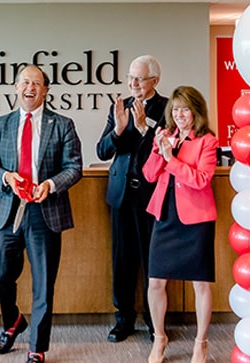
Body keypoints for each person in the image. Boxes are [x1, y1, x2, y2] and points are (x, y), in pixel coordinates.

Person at [0, 64, 83, 363]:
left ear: (45, 90)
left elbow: (74, 167)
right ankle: (13, 321)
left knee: (43, 285)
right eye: (25, 82)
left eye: (36, 83)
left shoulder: (62, 124)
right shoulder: (1, 124)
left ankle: (37, 349)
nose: (30, 87)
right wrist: (6, 177)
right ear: (15, 87)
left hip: (44, 212)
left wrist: (50, 185)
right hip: (9, 210)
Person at [142, 86, 218, 363]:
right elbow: (149, 175)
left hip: (196, 219)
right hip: (165, 214)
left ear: (196, 111)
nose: (179, 114)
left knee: (200, 283)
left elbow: (200, 179)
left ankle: (201, 342)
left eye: (185, 109)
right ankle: (159, 338)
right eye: (175, 109)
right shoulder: (166, 137)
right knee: (155, 282)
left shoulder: (208, 141)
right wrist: (158, 149)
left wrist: (172, 160)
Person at [96, 55, 169, 343]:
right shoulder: (120, 107)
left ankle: (155, 322)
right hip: (121, 195)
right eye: (130, 77)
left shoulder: (167, 107)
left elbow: (166, 147)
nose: (132, 83)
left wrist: (142, 127)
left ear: (155, 81)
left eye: (139, 78)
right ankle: (123, 319)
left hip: (151, 195)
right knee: (122, 260)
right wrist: (118, 129)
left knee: (152, 260)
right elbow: (102, 150)